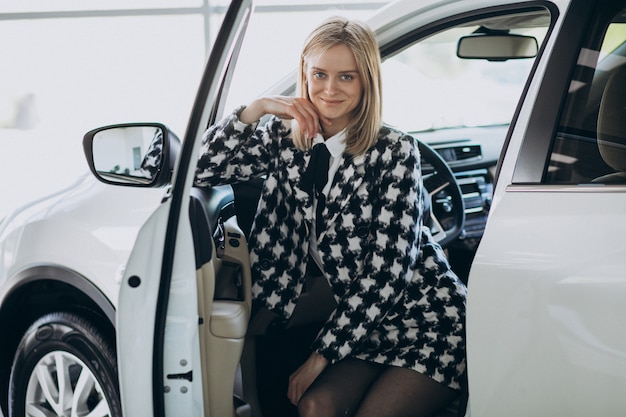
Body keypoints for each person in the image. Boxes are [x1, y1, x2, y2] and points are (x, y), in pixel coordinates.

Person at [195, 16, 466, 417]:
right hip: (367, 332)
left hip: (428, 323)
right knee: (315, 408)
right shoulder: (282, 139)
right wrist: (255, 109)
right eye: (319, 74)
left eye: (346, 77)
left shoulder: (396, 152)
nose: (329, 89)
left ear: (366, 81)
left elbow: (386, 274)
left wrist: (319, 357)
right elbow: (199, 169)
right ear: (304, 73)